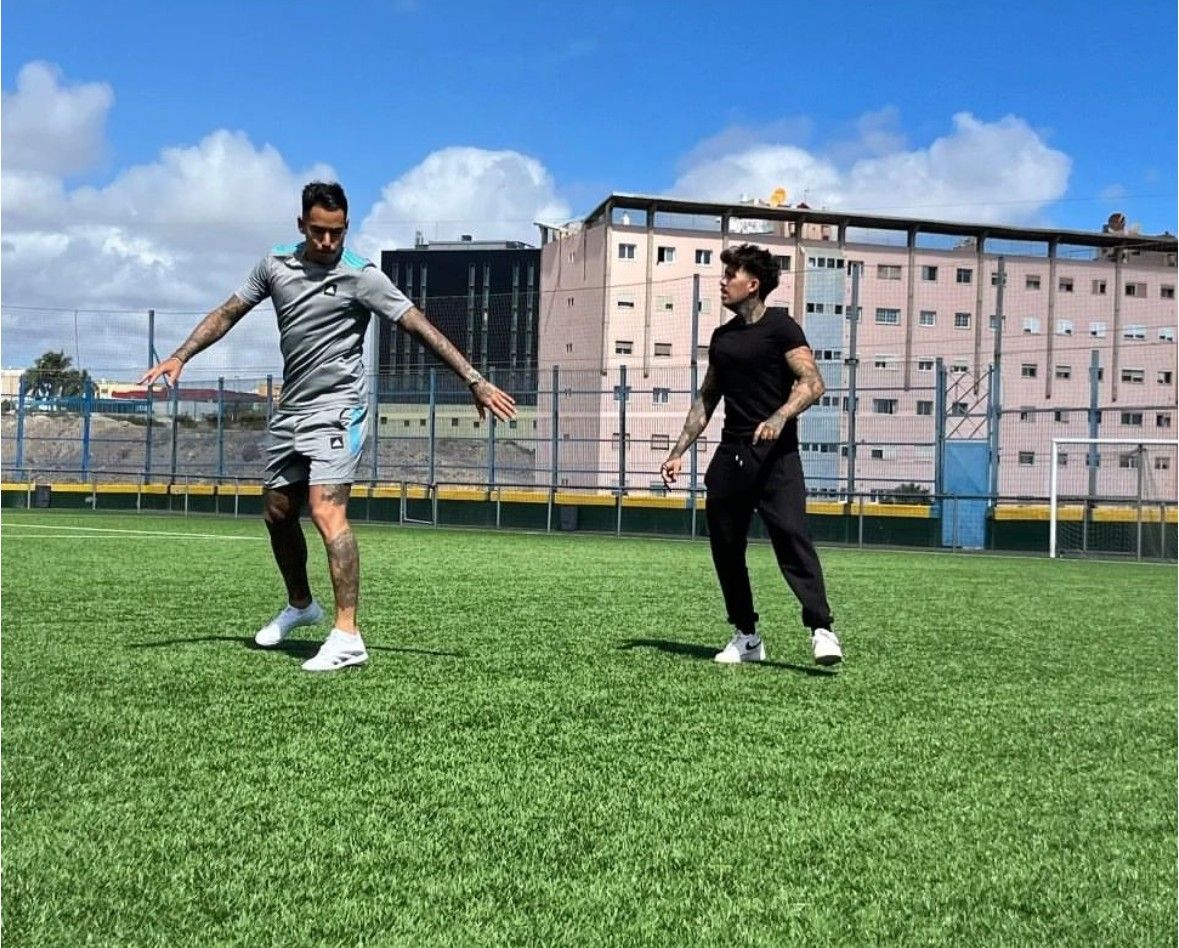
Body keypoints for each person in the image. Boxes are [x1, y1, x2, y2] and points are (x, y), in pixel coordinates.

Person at [140, 181, 516, 672]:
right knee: (277, 512)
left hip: (340, 408)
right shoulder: (274, 264)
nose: (327, 243)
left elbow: (417, 325)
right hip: (291, 409)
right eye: (318, 232)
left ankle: (347, 635)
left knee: (324, 509)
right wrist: (179, 355)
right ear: (301, 225)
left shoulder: (362, 276)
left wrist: (474, 380)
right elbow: (229, 311)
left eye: (336, 234)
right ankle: (302, 605)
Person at [660, 243, 842, 666]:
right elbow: (706, 400)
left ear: (753, 284)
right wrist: (677, 452)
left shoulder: (782, 328)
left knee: (792, 538)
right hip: (732, 454)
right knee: (725, 547)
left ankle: (821, 628)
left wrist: (779, 417)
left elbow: (813, 384)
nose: (722, 282)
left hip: (777, 457)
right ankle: (746, 636)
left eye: (730, 276)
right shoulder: (722, 339)